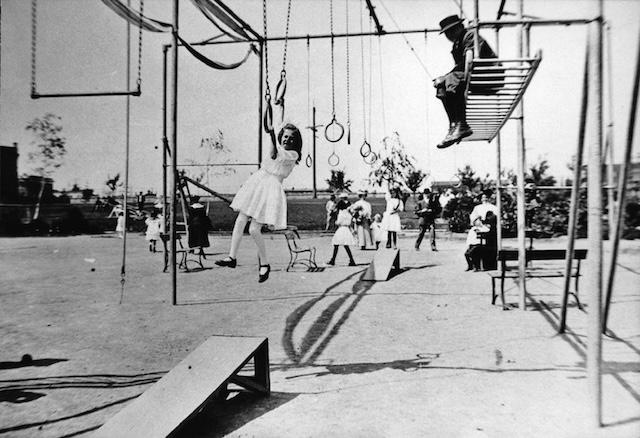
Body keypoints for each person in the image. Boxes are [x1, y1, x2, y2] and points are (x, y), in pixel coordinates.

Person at [215, 123, 302, 283]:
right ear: (281, 137)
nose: (287, 140)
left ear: (295, 142)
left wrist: (271, 134)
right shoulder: (278, 147)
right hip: (258, 183)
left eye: (291, 138)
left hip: (271, 189)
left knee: (254, 229)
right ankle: (232, 257)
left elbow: (275, 153)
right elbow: (273, 153)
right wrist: (273, 132)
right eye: (285, 136)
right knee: (241, 219)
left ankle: (265, 263)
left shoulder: (293, 154)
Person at [433, 15, 501, 149]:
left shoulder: (470, 36)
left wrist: (446, 77)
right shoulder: (456, 45)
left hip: (490, 74)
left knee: (452, 79)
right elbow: (461, 69)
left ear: (460, 26)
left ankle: (461, 125)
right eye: (447, 32)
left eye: (452, 30)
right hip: (475, 75)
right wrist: (443, 78)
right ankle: (454, 127)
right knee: (442, 85)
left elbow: (467, 64)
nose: (449, 35)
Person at [326, 194, 357, 266]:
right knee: (343, 245)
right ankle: (350, 260)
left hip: (341, 229)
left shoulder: (341, 213)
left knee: (337, 244)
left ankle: (334, 260)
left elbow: (338, 222)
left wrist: (336, 222)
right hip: (346, 229)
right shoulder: (348, 213)